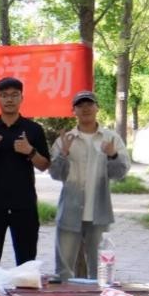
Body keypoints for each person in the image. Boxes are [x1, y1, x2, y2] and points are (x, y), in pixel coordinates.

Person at [49, 90, 130, 280]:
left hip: (99, 213)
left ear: (97, 108)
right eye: (80, 105)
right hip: (69, 212)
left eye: (89, 104)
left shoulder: (111, 138)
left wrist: (113, 155)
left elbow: (120, 173)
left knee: (100, 272)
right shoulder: (65, 139)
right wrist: (63, 154)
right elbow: (55, 174)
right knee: (63, 272)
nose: (85, 109)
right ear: (74, 111)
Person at [0, 77, 50, 266]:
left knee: (26, 263)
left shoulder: (34, 129)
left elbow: (44, 165)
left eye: (14, 95)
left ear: (21, 98)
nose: (9, 99)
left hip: (24, 204)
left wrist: (30, 151)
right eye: (4, 95)